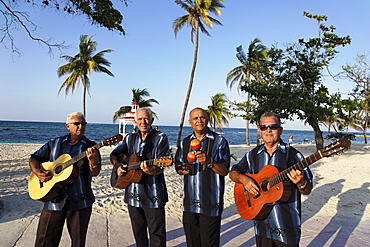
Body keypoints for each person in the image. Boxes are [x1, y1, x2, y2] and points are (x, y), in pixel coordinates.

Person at [229, 112, 313, 247]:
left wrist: (301, 183)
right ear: (259, 131)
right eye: (264, 127)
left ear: (280, 130)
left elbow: (308, 189)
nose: (268, 130)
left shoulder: (293, 155)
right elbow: (233, 173)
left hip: (287, 226)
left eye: (273, 127)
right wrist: (244, 180)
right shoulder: (252, 155)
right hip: (262, 225)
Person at [29, 112, 101, 247]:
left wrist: (93, 162)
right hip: (53, 199)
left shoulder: (91, 146)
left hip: (81, 201)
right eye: (77, 123)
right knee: (44, 240)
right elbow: (34, 157)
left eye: (83, 123)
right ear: (68, 126)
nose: (81, 126)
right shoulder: (55, 143)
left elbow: (95, 172)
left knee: (78, 242)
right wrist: (38, 172)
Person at [110, 107, 169, 247]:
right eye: (140, 119)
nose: (143, 122)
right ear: (135, 121)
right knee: (139, 232)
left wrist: (151, 170)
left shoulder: (160, 138)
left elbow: (161, 165)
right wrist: (118, 165)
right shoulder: (129, 138)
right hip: (132, 194)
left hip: (153, 194)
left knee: (157, 234)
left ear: (152, 120)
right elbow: (114, 154)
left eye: (146, 118)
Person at [175, 107, 230, 247]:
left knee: (209, 244)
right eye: (195, 118)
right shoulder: (185, 142)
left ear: (207, 120)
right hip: (189, 203)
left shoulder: (219, 141)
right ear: (190, 122)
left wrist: (210, 161)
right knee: (192, 243)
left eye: (202, 117)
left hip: (210, 203)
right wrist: (183, 169)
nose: (199, 120)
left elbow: (224, 170)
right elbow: (178, 166)